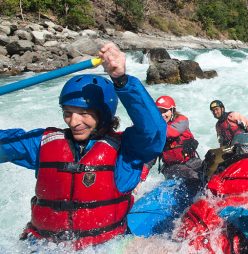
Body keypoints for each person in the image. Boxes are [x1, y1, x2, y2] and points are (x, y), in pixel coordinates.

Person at [0, 42, 166, 250]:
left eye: (84, 113)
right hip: (40, 245)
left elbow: (154, 131)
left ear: (104, 115)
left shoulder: (125, 152)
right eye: (67, 113)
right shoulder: (42, 144)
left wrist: (121, 81)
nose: (73, 121)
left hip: (103, 246)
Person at [150, 95, 202, 180]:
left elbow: (171, 132)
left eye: (165, 111)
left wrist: (151, 130)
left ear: (172, 110)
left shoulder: (182, 120)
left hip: (191, 161)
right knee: (190, 174)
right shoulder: (155, 131)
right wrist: (141, 179)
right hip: (171, 167)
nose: (162, 115)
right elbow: (151, 158)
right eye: (159, 112)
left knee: (206, 170)